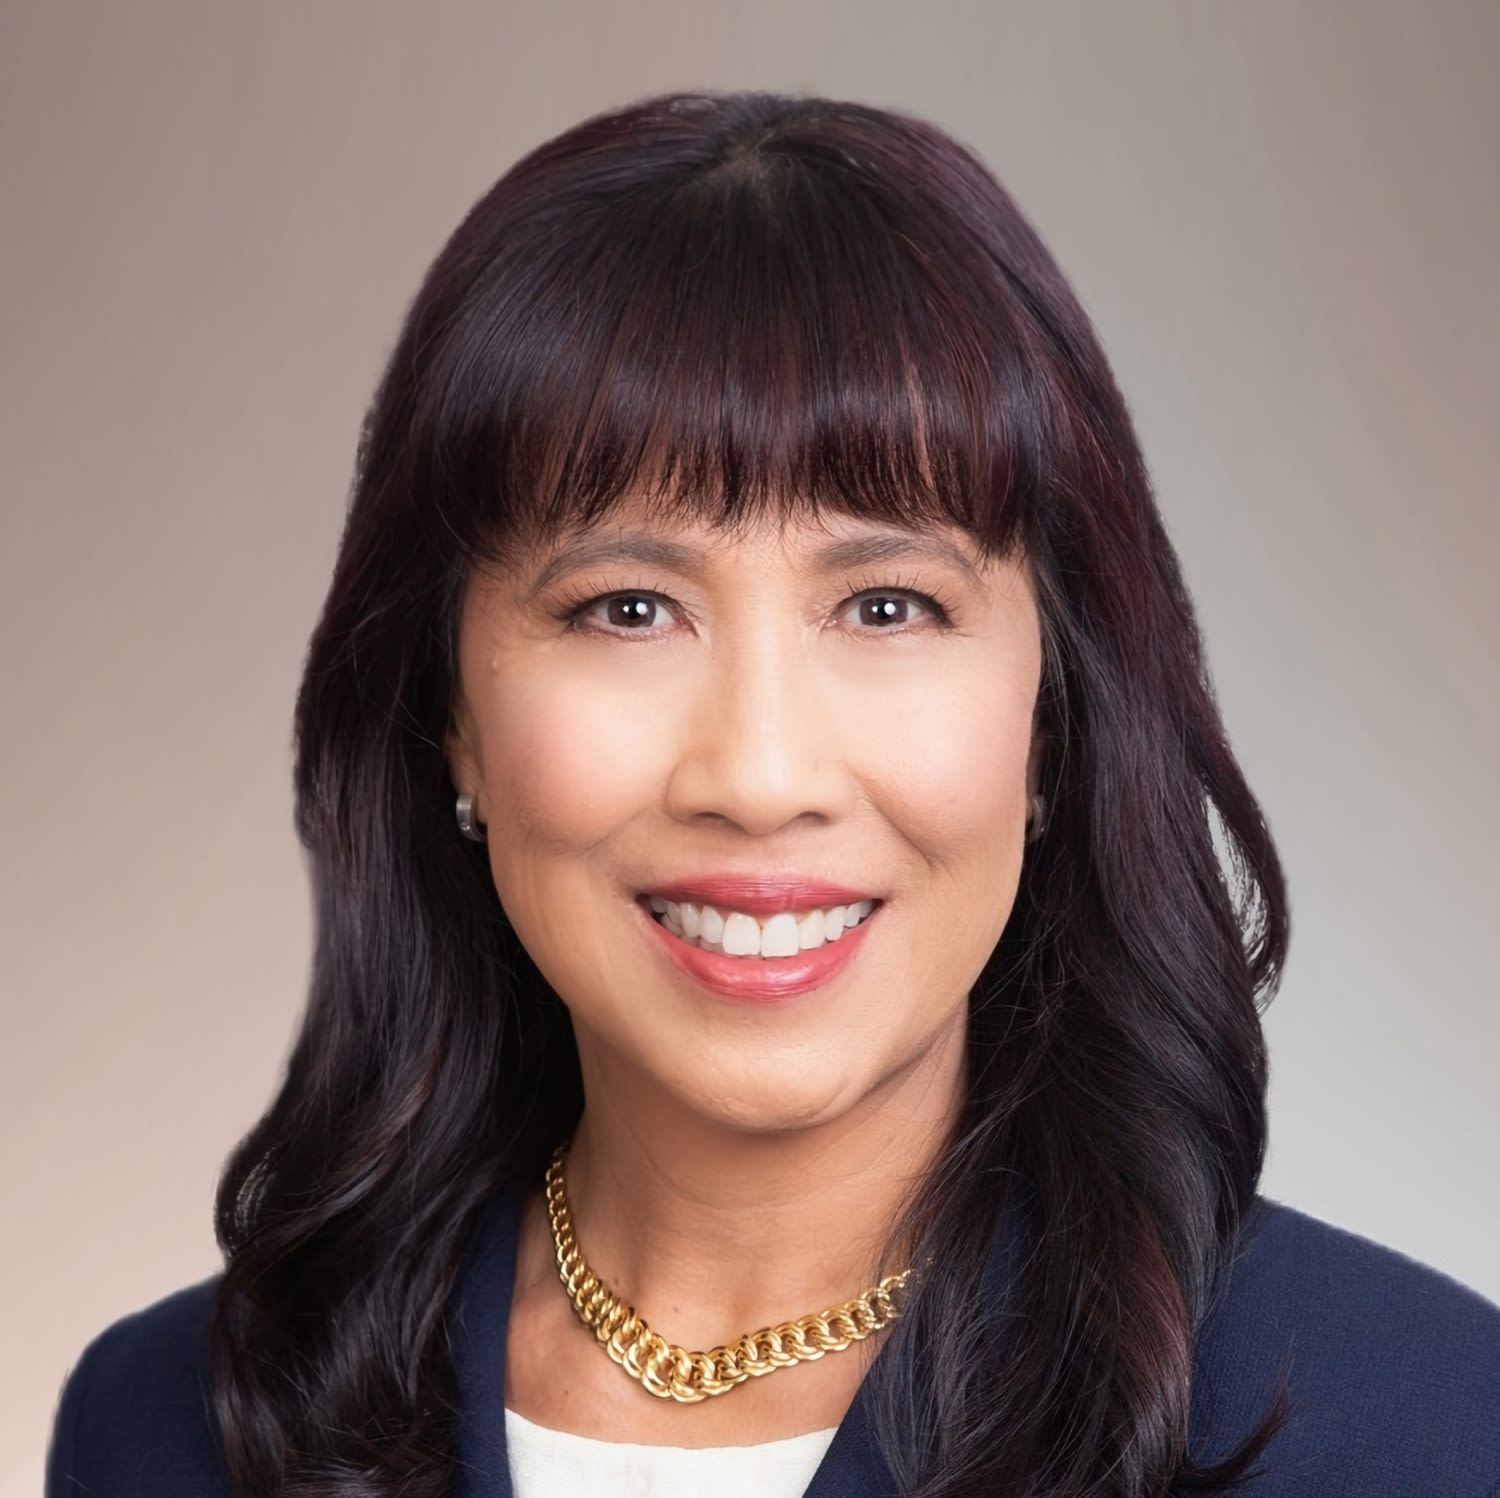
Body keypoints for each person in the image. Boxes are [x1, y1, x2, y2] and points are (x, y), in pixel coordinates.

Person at [45, 89, 1500, 1498]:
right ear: (453, 720)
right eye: (627, 609)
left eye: (887, 606)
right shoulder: (169, 1430)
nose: (758, 776)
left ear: (1055, 720)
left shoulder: (1418, 1430)